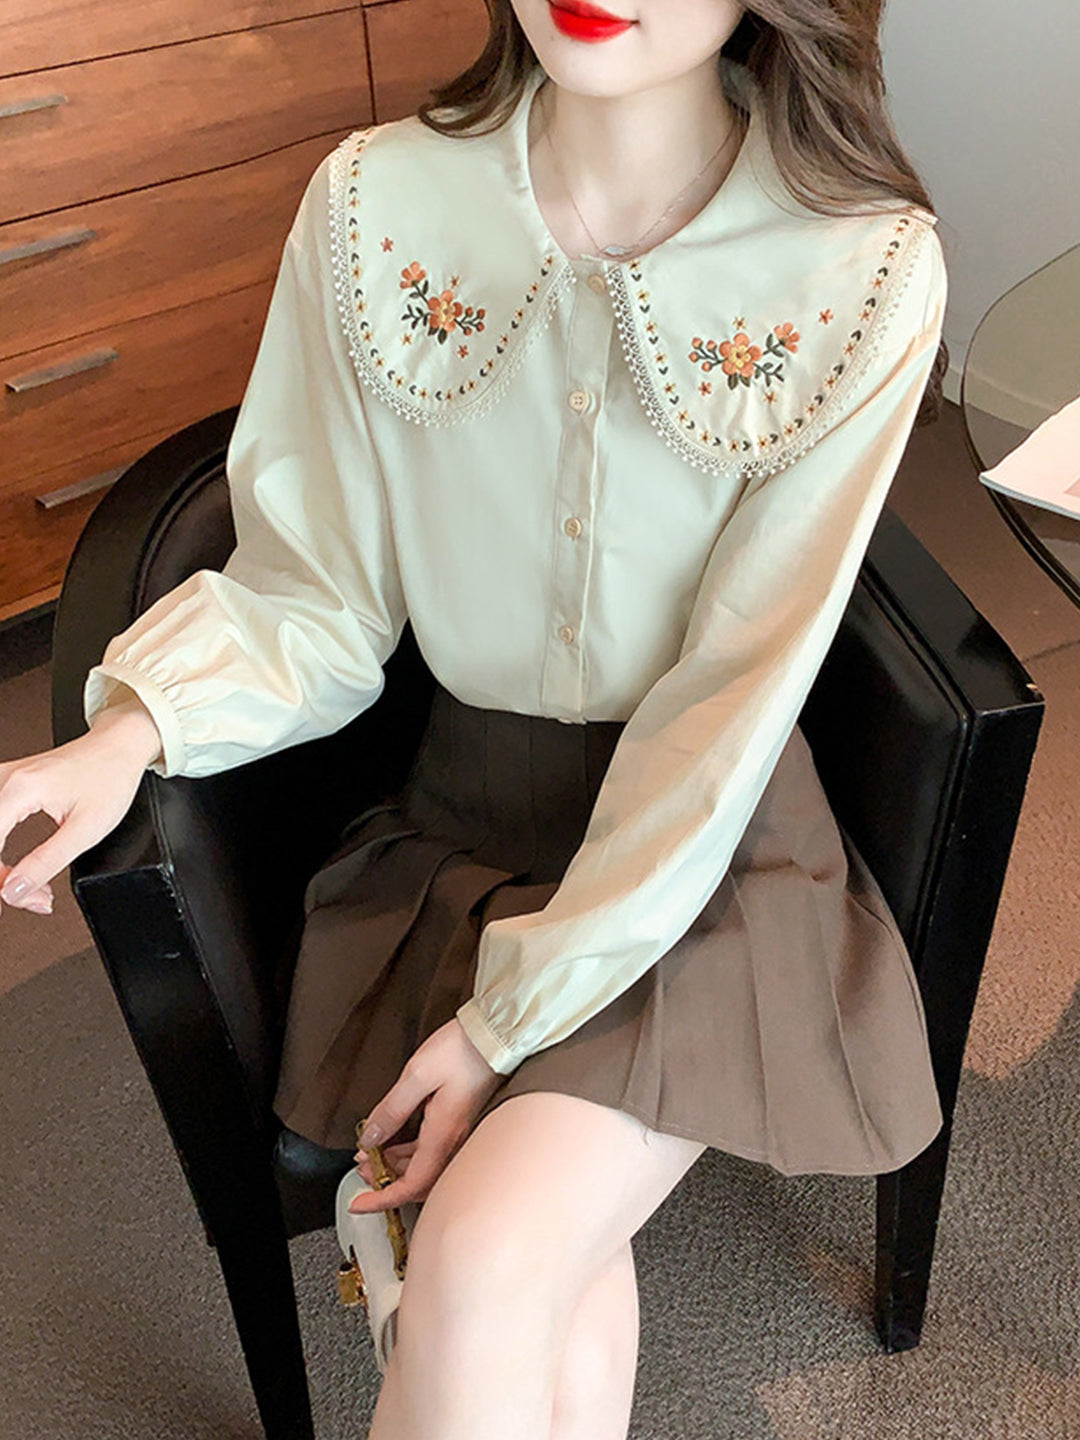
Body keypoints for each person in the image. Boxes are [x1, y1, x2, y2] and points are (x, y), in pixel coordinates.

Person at [0, 1, 951, 1435]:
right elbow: (318, 591)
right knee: (535, 1300)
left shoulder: (859, 264)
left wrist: (510, 1020)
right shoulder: (375, 204)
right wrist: (128, 731)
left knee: (488, 1263)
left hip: (703, 850)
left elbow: (731, 696)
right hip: (461, 833)